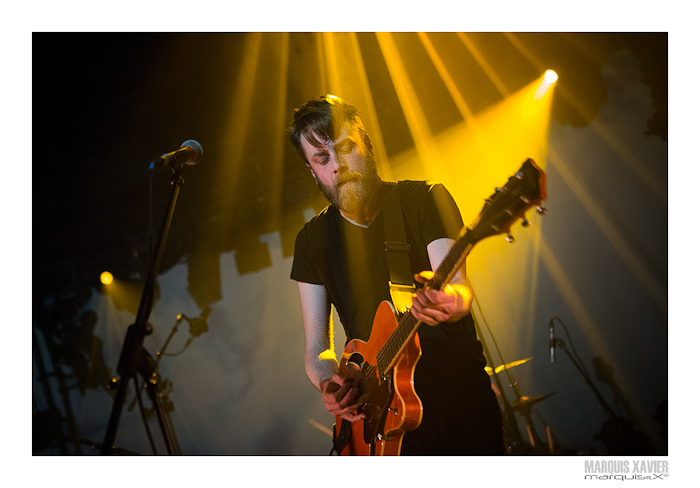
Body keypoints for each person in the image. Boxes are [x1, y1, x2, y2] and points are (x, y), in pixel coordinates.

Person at [289, 94, 504, 455]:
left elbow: (457, 289)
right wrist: (332, 385)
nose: (338, 165)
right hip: (379, 423)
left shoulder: (423, 200)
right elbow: (316, 349)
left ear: (366, 144)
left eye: (345, 148)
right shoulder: (311, 241)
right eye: (323, 159)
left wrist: (448, 302)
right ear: (313, 172)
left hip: (458, 403)